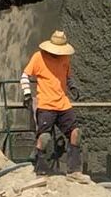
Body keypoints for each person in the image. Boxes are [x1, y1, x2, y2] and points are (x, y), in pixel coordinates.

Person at [21, 30, 83, 176]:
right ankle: (41, 167)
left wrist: (72, 87)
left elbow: (67, 77)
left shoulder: (65, 58)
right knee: (45, 137)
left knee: (75, 133)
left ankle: (74, 169)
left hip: (63, 103)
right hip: (46, 104)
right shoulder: (38, 57)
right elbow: (25, 75)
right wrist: (27, 93)